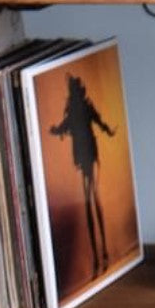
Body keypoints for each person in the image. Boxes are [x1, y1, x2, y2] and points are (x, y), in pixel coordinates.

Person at [51, 74, 115, 275]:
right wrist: (54, 130)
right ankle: (98, 254)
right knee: (89, 202)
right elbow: (63, 127)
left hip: (90, 156)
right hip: (84, 157)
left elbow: (99, 121)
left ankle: (103, 251)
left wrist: (107, 130)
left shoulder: (84, 108)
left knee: (93, 199)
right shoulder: (74, 112)